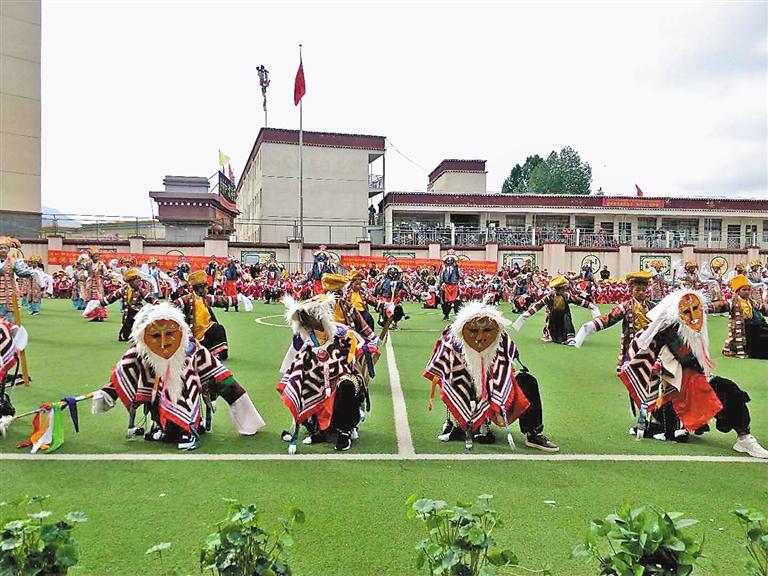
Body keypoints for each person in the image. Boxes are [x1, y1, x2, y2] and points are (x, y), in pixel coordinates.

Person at [91, 303, 264, 450]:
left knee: (186, 377)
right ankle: (161, 425)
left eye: (170, 334)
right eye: (155, 336)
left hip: (187, 395)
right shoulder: (141, 350)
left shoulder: (191, 347)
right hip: (156, 400)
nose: (164, 342)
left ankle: (188, 427)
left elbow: (219, 375)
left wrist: (245, 412)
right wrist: (107, 393)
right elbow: (124, 371)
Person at [619, 289, 768, 458]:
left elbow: (716, 308)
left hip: (687, 382)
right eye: (686, 311)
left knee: (727, 391)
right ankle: (744, 437)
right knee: (727, 390)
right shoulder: (670, 330)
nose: (693, 315)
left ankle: (743, 437)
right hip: (674, 391)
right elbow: (684, 359)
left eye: (696, 308)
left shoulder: (693, 325)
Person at [424, 301, 559, 451]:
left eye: (487, 330)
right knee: (456, 381)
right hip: (463, 383)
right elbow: (442, 369)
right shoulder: (452, 340)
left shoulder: (501, 337)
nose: (480, 336)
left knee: (528, 381)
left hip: (494, 383)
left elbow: (509, 362)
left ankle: (533, 433)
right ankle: (464, 422)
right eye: (473, 331)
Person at [277, 293, 370, 452]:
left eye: (310, 316)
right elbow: (298, 361)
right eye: (304, 317)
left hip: (344, 374)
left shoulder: (341, 331)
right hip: (318, 377)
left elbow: (363, 347)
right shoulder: (304, 338)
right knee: (302, 383)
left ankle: (345, 431)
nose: (308, 320)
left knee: (346, 385)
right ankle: (320, 429)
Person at [574, 271, 654, 369]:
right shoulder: (626, 306)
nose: (641, 293)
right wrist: (592, 325)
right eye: (637, 290)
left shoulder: (652, 307)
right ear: (631, 291)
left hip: (648, 341)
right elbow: (610, 317)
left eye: (643, 290)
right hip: (632, 341)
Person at [513, 275, 600, 345]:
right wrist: (525, 315)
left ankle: (570, 337)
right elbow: (538, 305)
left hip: (564, 320)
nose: (562, 290)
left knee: (566, 317)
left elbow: (580, 301)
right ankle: (555, 336)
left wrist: (592, 307)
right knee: (556, 332)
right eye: (560, 288)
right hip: (553, 321)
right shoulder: (550, 296)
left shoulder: (566, 296)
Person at [171, 270, 234, 360]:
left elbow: (221, 300)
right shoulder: (187, 298)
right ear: (200, 288)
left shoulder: (206, 299)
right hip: (193, 332)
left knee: (218, 328)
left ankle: (218, 353)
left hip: (207, 329)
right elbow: (173, 305)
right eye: (206, 288)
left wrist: (237, 299)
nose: (207, 290)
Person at [709, 274, 768, 359]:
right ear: (737, 291)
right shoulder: (734, 302)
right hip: (744, 329)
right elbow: (721, 305)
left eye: (748, 289)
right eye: (744, 290)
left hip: (755, 327)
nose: (747, 292)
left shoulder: (751, 301)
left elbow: (761, 310)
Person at [91, 268, 159, 341]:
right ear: (130, 282)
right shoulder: (124, 289)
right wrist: (101, 303)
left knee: (138, 326)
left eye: (139, 281)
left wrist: (157, 304)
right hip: (127, 313)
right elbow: (112, 297)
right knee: (125, 331)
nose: (139, 283)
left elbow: (149, 297)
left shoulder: (140, 290)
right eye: (136, 281)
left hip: (137, 312)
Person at [0, 237, 33, 323]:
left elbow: (20, 272)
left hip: (9, 291)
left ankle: (10, 329)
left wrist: (30, 272)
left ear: (9, 249)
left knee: (9, 313)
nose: (3, 250)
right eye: (1, 248)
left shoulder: (13, 261)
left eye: (5, 248)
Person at [82, 248, 110, 322]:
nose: (97, 258)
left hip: (98, 285)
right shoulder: (88, 264)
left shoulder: (101, 264)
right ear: (91, 257)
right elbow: (82, 268)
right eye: (95, 256)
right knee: (91, 300)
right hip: (90, 285)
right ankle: (94, 316)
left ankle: (101, 315)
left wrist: (103, 277)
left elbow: (107, 275)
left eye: (98, 256)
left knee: (99, 300)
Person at [438, 250, 462, 321]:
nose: (449, 263)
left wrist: (459, 283)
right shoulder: (443, 269)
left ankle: (458, 314)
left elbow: (460, 277)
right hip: (446, 286)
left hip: (455, 286)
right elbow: (441, 278)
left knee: (457, 301)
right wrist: (441, 284)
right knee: (445, 302)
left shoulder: (457, 269)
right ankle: (446, 314)